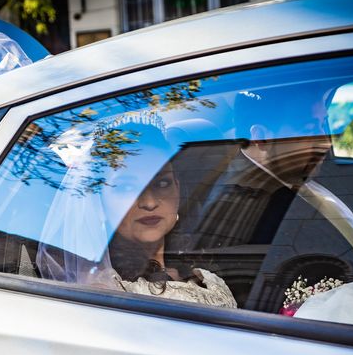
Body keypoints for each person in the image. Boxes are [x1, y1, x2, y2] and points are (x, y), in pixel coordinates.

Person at [36, 117, 237, 309]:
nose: (149, 202)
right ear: (99, 203)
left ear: (178, 189)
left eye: (162, 183)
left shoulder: (206, 277)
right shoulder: (103, 291)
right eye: (126, 187)